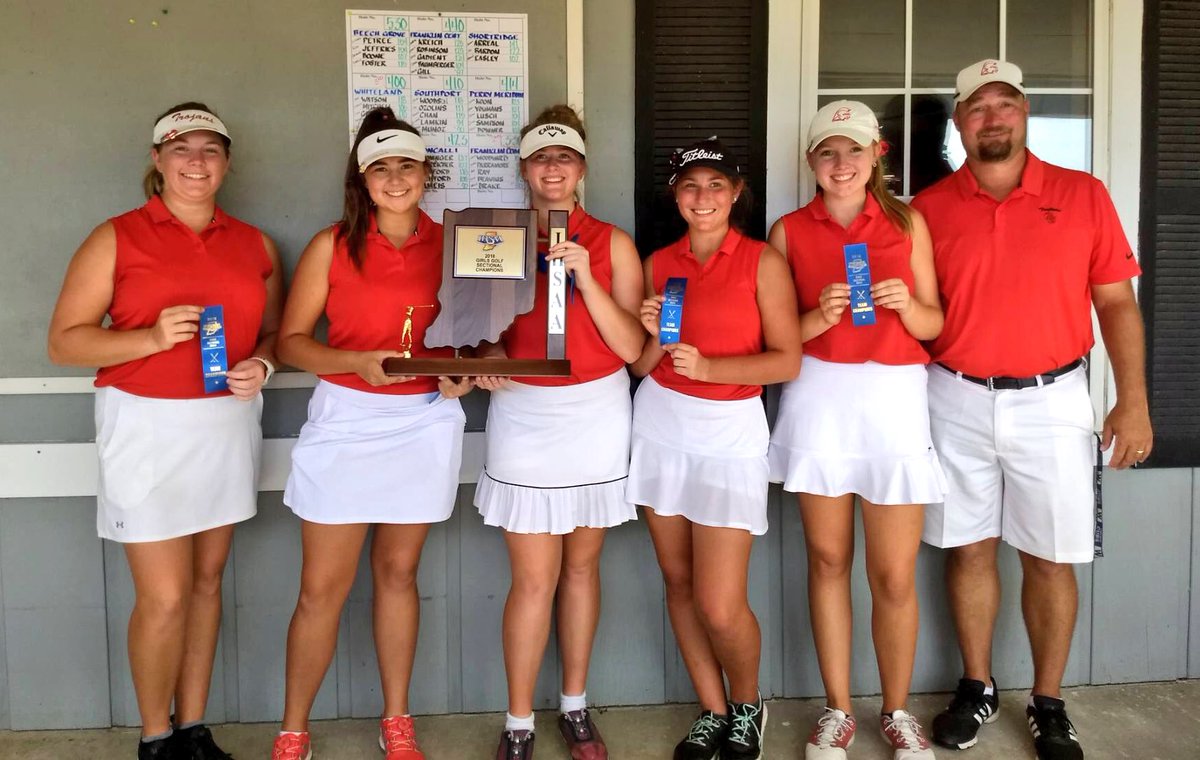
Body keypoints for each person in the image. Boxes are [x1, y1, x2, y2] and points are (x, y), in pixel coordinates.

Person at [913, 60, 1152, 760]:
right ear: (959, 122)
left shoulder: (1082, 194)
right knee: (969, 547)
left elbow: (1115, 301)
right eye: (977, 107)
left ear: (1024, 114)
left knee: (1051, 558)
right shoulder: (928, 207)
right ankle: (977, 685)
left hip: (1055, 399)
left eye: (1005, 103)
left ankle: (1048, 703)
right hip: (953, 394)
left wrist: (1131, 399)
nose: (992, 117)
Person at [47, 102, 282, 760]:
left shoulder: (254, 243)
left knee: (207, 586)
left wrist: (263, 363)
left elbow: (274, 332)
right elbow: (64, 343)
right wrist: (147, 337)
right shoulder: (116, 237)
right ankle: (155, 739)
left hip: (227, 423)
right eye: (181, 149)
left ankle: (194, 729)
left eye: (210, 149)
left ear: (228, 162)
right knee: (166, 596)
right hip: (145, 424)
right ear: (157, 161)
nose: (196, 161)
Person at [271, 107, 472, 760]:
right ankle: (294, 729)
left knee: (397, 574)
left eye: (406, 166)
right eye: (380, 168)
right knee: (320, 588)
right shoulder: (332, 245)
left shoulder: (458, 243)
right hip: (346, 419)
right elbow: (292, 343)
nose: (395, 178)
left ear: (426, 174)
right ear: (361, 181)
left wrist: (462, 374)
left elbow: (479, 337)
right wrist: (354, 362)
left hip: (423, 420)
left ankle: (396, 721)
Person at [767, 101, 945, 760]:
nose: (841, 165)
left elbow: (934, 325)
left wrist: (908, 305)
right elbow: (778, 337)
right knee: (827, 561)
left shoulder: (907, 222)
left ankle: (896, 712)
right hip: (819, 397)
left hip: (895, 400)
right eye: (827, 153)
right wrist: (817, 316)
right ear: (812, 161)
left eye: (853, 152)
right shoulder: (788, 231)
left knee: (894, 575)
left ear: (877, 157)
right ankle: (838, 710)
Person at [473, 105, 645, 760]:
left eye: (564, 157)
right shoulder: (493, 234)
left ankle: (574, 705)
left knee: (581, 570)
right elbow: (476, 334)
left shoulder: (613, 241)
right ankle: (519, 719)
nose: (553, 168)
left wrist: (587, 277)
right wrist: (486, 356)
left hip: (597, 411)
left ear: (581, 168)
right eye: (541, 157)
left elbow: (631, 345)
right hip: (523, 410)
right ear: (524, 168)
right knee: (534, 579)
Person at [629, 137, 802, 760]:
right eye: (690, 186)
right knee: (677, 580)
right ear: (676, 196)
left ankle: (748, 703)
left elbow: (787, 359)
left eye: (716, 185)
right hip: (659, 424)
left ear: (736, 194)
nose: (703, 196)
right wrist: (648, 335)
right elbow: (646, 363)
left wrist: (709, 368)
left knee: (720, 602)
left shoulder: (761, 261)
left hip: (730, 429)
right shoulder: (658, 262)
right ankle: (711, 708)